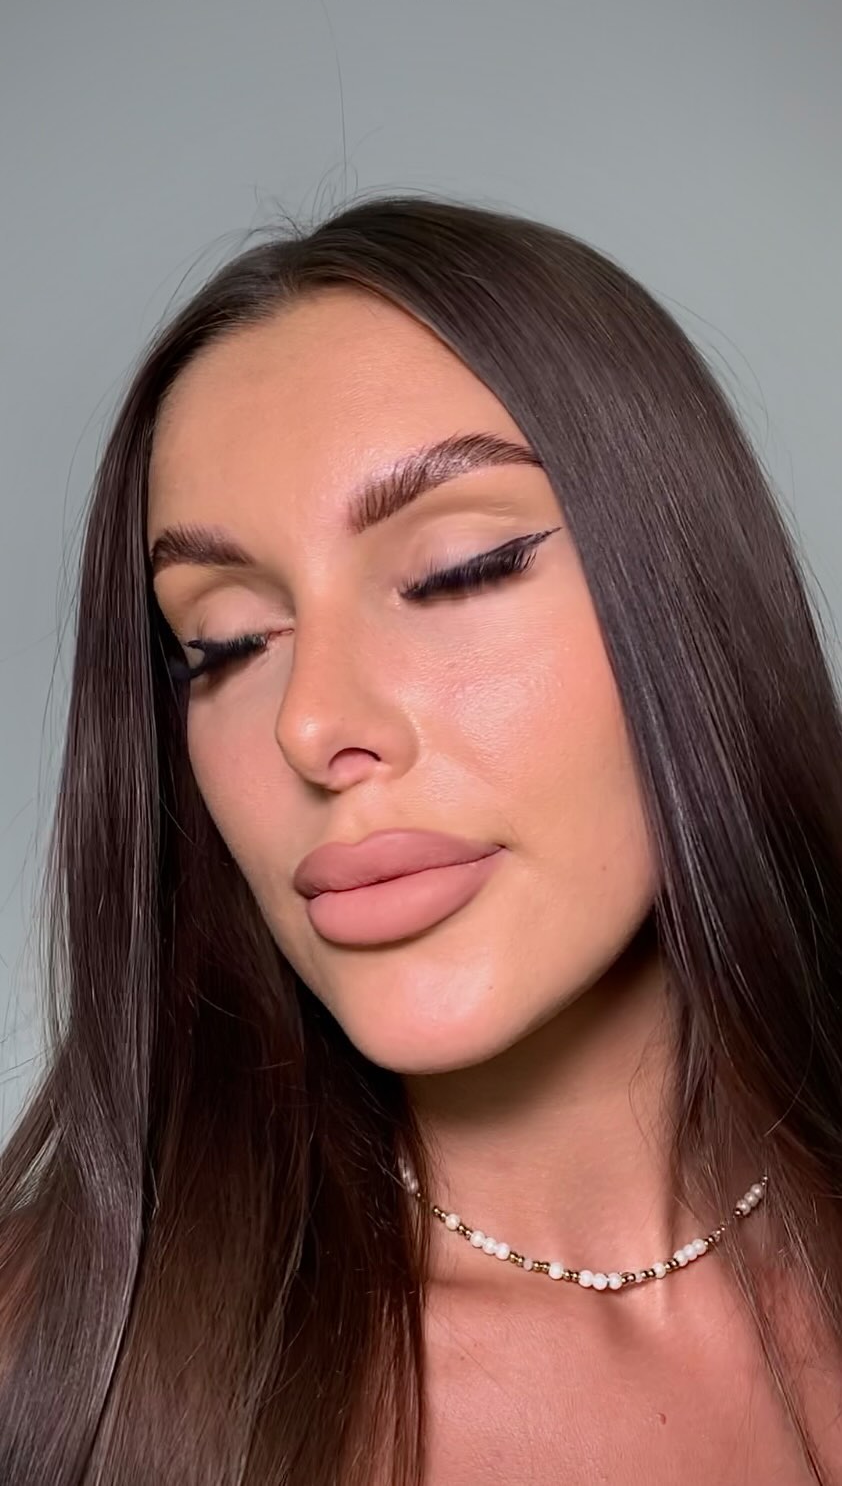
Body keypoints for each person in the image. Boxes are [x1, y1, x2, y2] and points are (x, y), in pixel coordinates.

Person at [0, 192, 840, 1486]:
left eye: (458, 570)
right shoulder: (51, 1368)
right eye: (223, 644)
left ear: (689, 601)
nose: (311, 723)